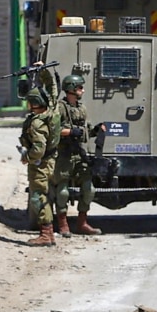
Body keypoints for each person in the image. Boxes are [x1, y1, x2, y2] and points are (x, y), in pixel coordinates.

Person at [42, 70, 103, 236]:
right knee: (62, 191)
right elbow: (53, 129)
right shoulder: (60, 108)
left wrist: (96, 130)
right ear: (71, 89)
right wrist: (69, 132)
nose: (82, 90)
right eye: (80, 87)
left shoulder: (81, 108)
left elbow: (85, 130)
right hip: (63, 154)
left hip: (79, 153)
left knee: (89, 189)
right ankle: (63, 224)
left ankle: (82, 222)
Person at [19, 85, 60, 246]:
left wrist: (27, 157)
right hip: (49, 163)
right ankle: (48, 234)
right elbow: (53, 92)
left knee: (37, 196)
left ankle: (45, 233)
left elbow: (38, 148)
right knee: (43, 195)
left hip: (40, 164)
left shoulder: (37, 123)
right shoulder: (51, 114)